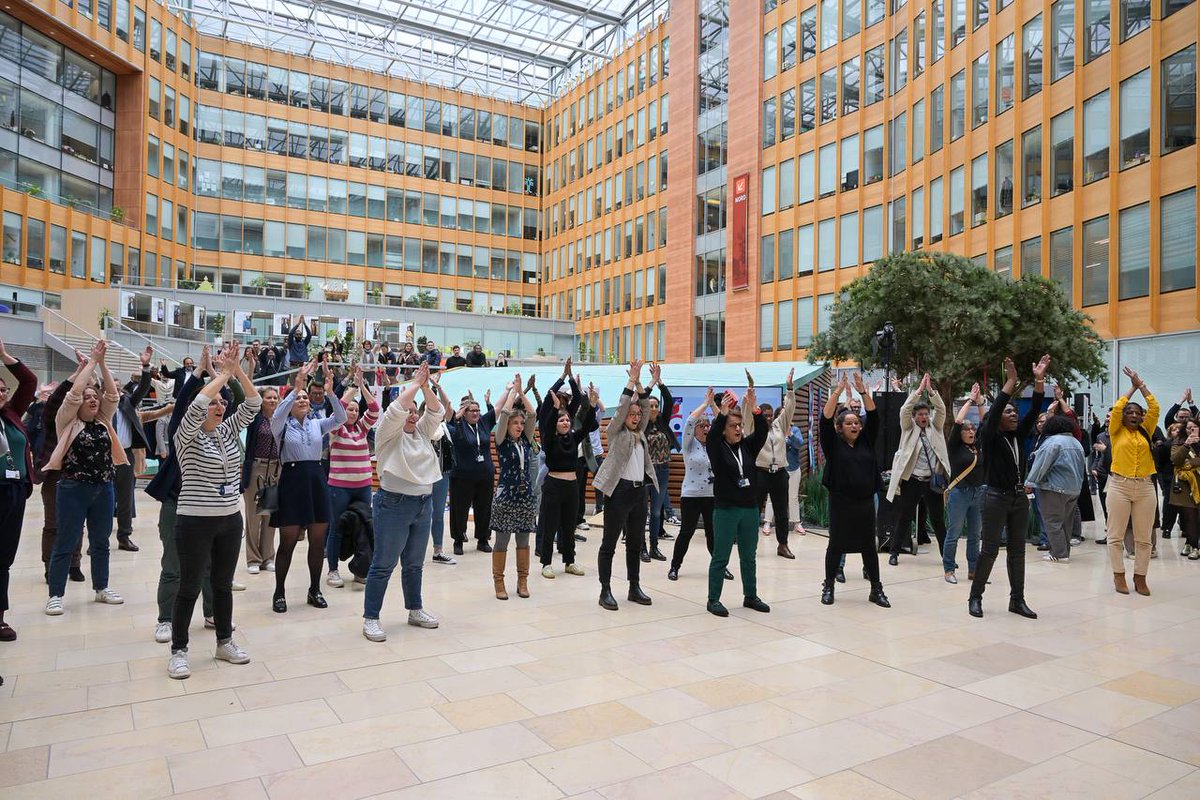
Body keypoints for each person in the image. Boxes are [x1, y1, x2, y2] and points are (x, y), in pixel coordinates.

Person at [167, 344, 259, 679]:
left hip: (229, 520)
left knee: (222, 583)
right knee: (190, 585)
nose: (219, 406)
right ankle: (179, 650)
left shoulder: (229, 431)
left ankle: (224, 642)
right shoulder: (185, 435)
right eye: (215, 402)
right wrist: (220, 375)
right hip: (194, 521)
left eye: (223, 402)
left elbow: (253, 403)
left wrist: (237, 373)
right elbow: (198, 403)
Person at [44, 340, 126, 615]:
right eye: (87, 397)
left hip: (104, 488)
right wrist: (90, 362)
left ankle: (101, 588)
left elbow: (113, 396)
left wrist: (102, 364)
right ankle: (56, 594)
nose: (92, 399)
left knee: (101, 541)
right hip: (73, 488)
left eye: (95, 396)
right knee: (66, 541)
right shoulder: (67, 421)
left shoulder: (103, 419)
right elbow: (72, 395)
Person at [363, 362, 442, 641]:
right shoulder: (388, 432)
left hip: (423, 504)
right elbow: (396, 408)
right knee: (383, 563)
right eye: (408, 410)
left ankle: (415, 608)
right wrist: (415, 385)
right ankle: (371, 617)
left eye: (414, 411)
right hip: (393, 504)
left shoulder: (422, 432)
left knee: (414, 564)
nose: (411, 414)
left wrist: (425, 386)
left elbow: (436, 411)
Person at [967, 355, 1049, 620]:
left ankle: (1017, 600)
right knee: (989, 550)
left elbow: (1035, 410)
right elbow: (996, 409)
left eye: (1015, 412)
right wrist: (1010, 382)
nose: (1014, 415)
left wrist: (1039, 381)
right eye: (1008, 412)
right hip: (994, 497)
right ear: (996, 418)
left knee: (1018, 551)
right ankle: (975, 597)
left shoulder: (1018, 434)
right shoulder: (990, 437)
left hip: (1018, 498)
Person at [269, 358, 347, 613]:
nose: (303, 400)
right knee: (288, 541)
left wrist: (331, 392)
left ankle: (314, 589)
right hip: (292, 482)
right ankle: (279, 592)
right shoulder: (280, 424)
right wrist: (296, 385)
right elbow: (279, 411)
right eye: (298, 398)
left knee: (317, 540)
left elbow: (342, 417)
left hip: (316, 480)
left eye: (305, 397)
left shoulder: (317, 423)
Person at [818, 373, 889, 607]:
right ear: (840, 428)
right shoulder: (833, 444)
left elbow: (874, 416)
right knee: (836, 545)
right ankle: (829, 586)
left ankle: (876, 589)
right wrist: (837, 392)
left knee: (869, 546)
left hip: (865, 502)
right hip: (841, 503)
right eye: (848, 423)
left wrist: (863, 392)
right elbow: (825, 419)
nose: (854, 425)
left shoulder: (866, 441)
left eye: (856, 422)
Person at [592, 361, 655, 611]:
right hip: (619, 491)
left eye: (638, 415)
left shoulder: (641, 434)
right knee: (609, 542)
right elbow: (621, 408)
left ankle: (634, 586)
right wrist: (631, 382)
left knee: (636, 541)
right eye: (632, 414)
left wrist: (641, 383)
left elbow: (645, 408)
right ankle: (605, 589)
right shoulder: (615, 431)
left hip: (640, 492)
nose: (636, 417)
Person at [704, 383, 771, 617]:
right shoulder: (716, 448)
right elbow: (712, 434)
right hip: (726, 510)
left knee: (748, 557)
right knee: (721, 556)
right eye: (733, 426)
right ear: (724, 429)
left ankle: (750, 596)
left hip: (749, 510)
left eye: (740, 426)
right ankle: (713, 599)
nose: (739, 430)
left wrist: (754, 409)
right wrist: (722, 413)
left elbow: (762, 432)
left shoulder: (747, 446)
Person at [1105, 366, 1159, 596]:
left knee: (1144, 538)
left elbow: (1155, 407)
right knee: (1115, 535)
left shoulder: (1146, 429)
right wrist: (1132, 389)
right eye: (1130, 412)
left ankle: (1140, 577)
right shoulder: (1115, 430)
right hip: (1119, 486)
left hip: (1145, 487)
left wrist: (1142, 385)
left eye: (1138, 412)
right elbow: (1117, 408)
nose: (1134, 415)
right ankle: (1119, 575)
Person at [537, 372, 598, 579]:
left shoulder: (573, 438)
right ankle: (546, 563)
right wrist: (555, 407)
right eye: (561, 420)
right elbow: (546, 423)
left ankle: (569, 561)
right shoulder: (549, 440)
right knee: (550, 524)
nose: (565, 422)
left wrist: (590, 403)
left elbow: (588, 424)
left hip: (571, 487)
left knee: (569, 525)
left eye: (567, 420)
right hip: (554, 485)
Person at [885, 373, 950, 566]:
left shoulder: (935, 427)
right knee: (904, 517)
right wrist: (918, 391)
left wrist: (931, 392)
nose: (923, 417)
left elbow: (941, 408)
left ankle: (946, 556)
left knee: (938, 521)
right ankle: (894, 553)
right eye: (920, 415)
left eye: (925, 414)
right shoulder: (908, 428)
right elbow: (904, 409)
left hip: (932, 482)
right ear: (914, 418)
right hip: (912, 480)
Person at [34, 353, 87, 584]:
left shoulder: (84, 421)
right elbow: (55, 401)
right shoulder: (53, 418)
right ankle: (49, 564)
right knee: (53, 524)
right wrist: (76, 374)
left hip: (80, 478)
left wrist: (91, 367)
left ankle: (74, 564)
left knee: (77, 524)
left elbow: (101, 396)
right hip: (56, 477)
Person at [325, 364, 379, 588]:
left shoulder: (362, 429)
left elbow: (374, 409)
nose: (353, 412)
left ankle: (360, 569)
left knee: (364, 527)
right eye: (351, 410)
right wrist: (353, 388)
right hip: (339, 487)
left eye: (357, 410)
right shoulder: (336, 429)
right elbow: (339, 406)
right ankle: (333, 570)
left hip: (363, 486)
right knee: (336, 527)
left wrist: (363, 386)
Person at [668, 388, 726, 582]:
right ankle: (675, 566)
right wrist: (704, 404)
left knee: (714, 533)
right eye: (702, 426)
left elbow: (722, 423)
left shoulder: (716, 445)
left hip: (711, 495)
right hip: (691, 495)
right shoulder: (689, 445)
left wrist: (713, 406)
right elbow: (690, 421)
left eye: (707, 426)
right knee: (686, 532)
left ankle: (721, 567)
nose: (705, 428)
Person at [0, 339, 36, 641]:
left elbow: (29, 381)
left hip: (13, 491)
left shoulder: (11, 414)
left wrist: (4, 356)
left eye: (3, 389)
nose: (2, 393)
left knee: (4, 558)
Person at [490, 376, 538, 599]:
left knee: (524, 540)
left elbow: (533, 414)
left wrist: (522, 392)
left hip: (525, 497)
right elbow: (504, 415)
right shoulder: (502, 440)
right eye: (515, 423)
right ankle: (499, 583)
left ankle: (522, 581)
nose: (519, 426)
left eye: (521, 423)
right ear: (508, 425)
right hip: (506, 496)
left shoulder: (526, 441)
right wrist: (512, 393)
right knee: (502, 540)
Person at [1025, 413, 1087, 564]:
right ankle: (1064, 551)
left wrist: (1030, 482)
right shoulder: (1076, 443)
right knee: (1066, 522)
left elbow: (1041, 465)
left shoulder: (1052, 442)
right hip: (1074, 489)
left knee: (1052, 522)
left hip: (1053, 488)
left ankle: (1059, 554)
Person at [942, 383, 986, 584]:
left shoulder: (977, 447)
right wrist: (970, 400)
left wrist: (980, 404)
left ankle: (973, 571)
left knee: (975, 536)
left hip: (978, 493)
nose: (970, 431)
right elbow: (958, 421)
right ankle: (949, 570)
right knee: (954, 534)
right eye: (967, 430)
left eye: (972, 429)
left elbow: (986, 423)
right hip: (959, 493)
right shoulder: (954, 447)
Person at [112, 345, 154, 553]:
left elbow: (145, 386)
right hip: (103, 457)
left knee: (126, 497)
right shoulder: (100, 407)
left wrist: (145, 366)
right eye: (112, 387)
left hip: (126, 456)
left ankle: (124, 536)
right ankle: (98, 538)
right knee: (101, 498)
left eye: (118, 387)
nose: (116, 390)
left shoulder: (128, 403)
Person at [754, 370, 799, 559]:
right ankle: (750, 544)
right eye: (765, 414)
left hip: (780, 473)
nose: (769, 417)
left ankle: (783, 545)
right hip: (761, 473)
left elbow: (789, 407)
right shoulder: (753, 427)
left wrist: (789, 388)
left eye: (771, 414)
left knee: (782, 512)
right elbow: (748, 412)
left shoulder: (780, 425)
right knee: (753, 510)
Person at [446, 390, 497, 554]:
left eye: (477, 410)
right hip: (462, 476)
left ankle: (483, 539)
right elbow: (448, 412)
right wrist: (459, 412)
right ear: (465, 413)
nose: (475, 413)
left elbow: (499, 407)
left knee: (484, 508)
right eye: (471, 410)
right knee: (459, 509)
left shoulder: (483, 423)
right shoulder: (457, 425)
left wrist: (511, 390)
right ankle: (458, 540)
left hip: (484, 475)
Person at [240, 384, 280, 575]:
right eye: (269, 397)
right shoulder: (255, 419)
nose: (272, 400)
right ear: (261, 401)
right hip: (256, 467)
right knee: (253, 516)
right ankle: (253, 558)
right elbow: (246, 396)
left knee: (268, 514)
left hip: (275, 469)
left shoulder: (281, 419)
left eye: (275, 398)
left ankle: (267, 557)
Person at [641, 363, 678, 562]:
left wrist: (661, 382)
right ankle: (641, 547)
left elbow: (670, 400)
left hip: (662, 470)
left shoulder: (663, 422)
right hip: (644, 471)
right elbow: (641, 398)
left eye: (656, 405)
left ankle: (654, 546)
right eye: (651, 405)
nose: (654, 408)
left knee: (656, 511)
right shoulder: (641, 423)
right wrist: (651, 383)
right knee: (641, 511)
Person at [426, 374, 457, 565]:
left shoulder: (445, 426)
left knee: (438, 513)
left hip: (442, 474)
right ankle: (405, 548)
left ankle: (438, 551)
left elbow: (449, 407)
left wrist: (438, 386)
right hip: (423, 475)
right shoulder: (422, 426)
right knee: (416, 512)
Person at [575, 392, 605, 534]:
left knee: (581, 490)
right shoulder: (568, 418)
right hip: (570, 459)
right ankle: (572, 520)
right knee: (573, 491)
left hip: (586, 457)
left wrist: (592, 402)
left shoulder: (585, 419)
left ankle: (580, 518)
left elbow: (591, 423)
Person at [1171, 419, 1200, 560]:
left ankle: (1190, 542)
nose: (1192, 430)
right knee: (1189, 515)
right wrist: (1187, 444)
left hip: (1198, 483)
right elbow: (1176, 460)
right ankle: (1195, 546)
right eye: (1189, 428)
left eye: (1195, 427)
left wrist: (1193, 461)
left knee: (1196, 516)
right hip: (1184, 484)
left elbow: (1194, 461)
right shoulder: (1178, 442)